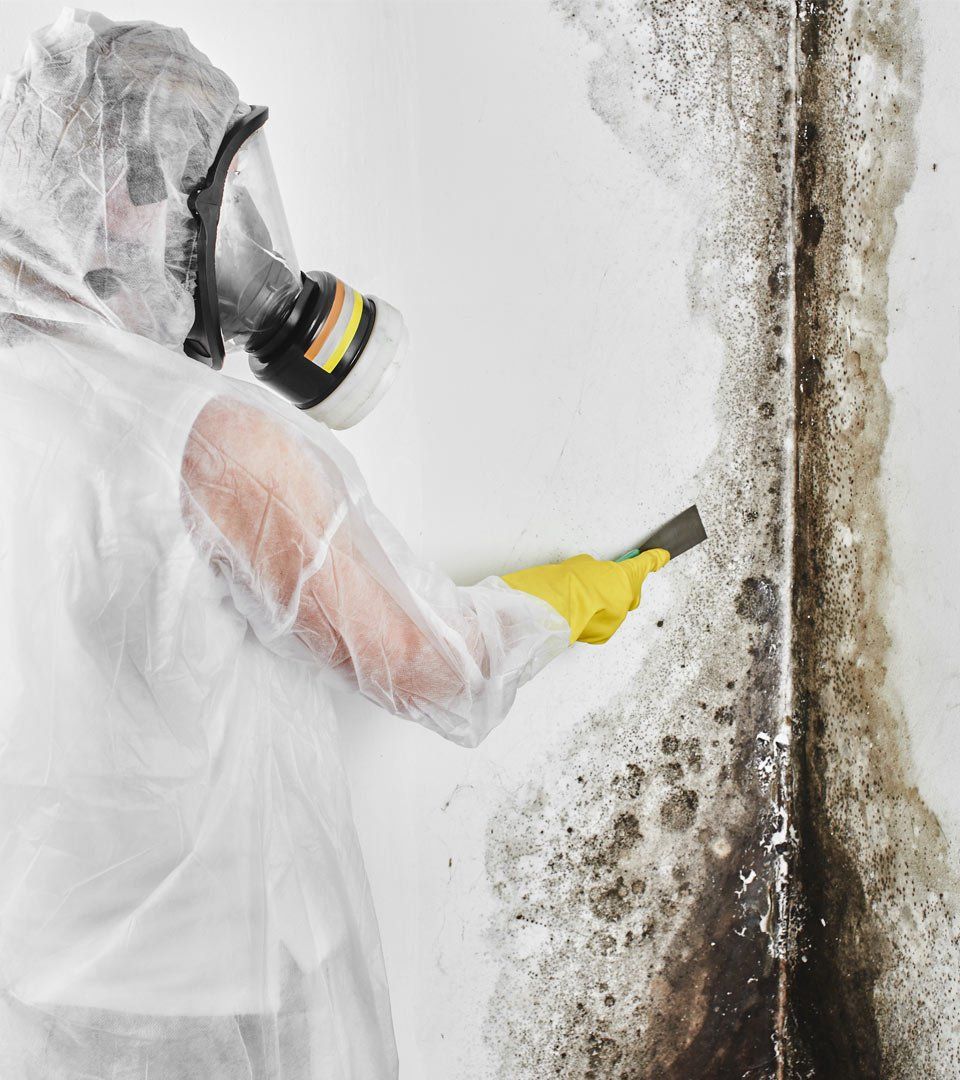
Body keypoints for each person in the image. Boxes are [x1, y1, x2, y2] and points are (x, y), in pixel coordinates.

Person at [0, 11, 668, 1078]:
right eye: (206, 187)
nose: (242, 239)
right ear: (126, 194)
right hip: (214, 1013)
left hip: (33, 1010)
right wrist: (562, 598)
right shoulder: (210, 439)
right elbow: (433, 667)